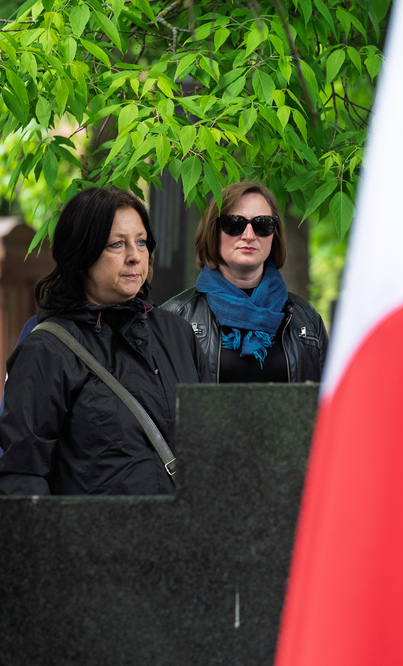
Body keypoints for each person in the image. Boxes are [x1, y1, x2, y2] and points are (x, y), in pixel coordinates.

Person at [0, 187, 209, 495]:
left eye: (141, 242)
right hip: (92, 540)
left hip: (183, 538)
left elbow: (211, 445)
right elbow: (23, 478)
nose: (135, 256)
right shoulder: (46, 350)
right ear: (82, 255)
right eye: (116, 245)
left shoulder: (177, 334)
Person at [161, 182, 328, 383]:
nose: (249, 236)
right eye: (234, 223)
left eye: (262, 224)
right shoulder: (176, 316)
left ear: (274, 234)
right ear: (213, 231)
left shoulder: (307, 319)